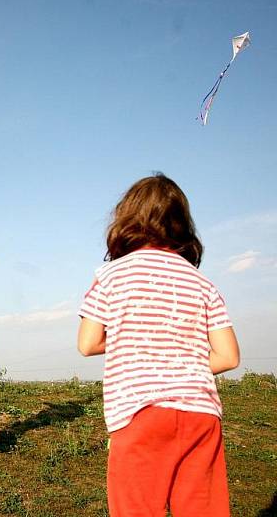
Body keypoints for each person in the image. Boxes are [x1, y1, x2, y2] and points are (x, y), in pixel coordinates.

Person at [77, 173, 240, 517]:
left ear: (127, 218)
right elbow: (228, 357)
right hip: (201, 414)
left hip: (139, 413)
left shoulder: (110, 275)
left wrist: (133, 341)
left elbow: (88, 343)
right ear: (182, 223)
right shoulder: (203, 282)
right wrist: (182, 362)